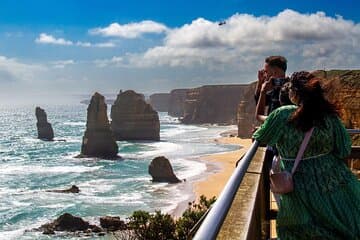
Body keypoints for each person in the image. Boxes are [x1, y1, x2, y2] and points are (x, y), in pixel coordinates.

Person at [253, 71, 360, 239]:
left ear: (294, 93)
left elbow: (261, 129)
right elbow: (344, 149)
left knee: (301, 231)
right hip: (334, 184)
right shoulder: (329, 116)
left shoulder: (283, 114)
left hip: (300, 189)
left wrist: (263, 93)